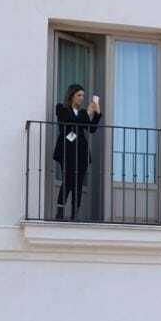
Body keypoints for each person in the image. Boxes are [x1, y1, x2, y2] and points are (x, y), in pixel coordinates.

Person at [52, 83, 101, 220]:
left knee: (78, 183)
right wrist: (87, 113)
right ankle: (60, 211)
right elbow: (66, 124)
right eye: (79, 95)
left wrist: (97, 113)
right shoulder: (61, 109)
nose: (81, 98)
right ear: (71, 95)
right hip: (66, 151)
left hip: (81, 152)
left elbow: (91, 129)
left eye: (83, 96)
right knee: (67, 180)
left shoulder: (82, 113)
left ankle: (75, 213)